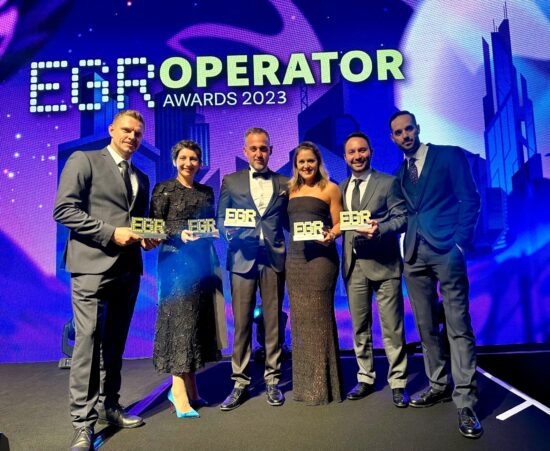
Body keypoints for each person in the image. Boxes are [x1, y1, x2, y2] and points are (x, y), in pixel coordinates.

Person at [53, 110, 159, 450]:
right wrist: (111, 233)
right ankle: (83, 423)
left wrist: (146, 238)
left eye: (138, 133)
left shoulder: (141, 177)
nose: (132, 137)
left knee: (115, 344)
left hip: (128, 270)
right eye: (126, 130)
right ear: (112, 129)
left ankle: (109, 406)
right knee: (88, 343)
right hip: (91, 268)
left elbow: (137, 223)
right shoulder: (84, 160)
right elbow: (64, 210)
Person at [389, 110, 483, 438]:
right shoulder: (399, 175)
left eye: (409, 129)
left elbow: (470, 199)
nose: (405, 136)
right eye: (399, 132)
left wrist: (460, 242)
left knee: (458, 326)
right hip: (413, 256)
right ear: (392, 138)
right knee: (426, 327)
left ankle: (466, 402)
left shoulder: (448, 155)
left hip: (447, 251)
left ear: (417, 128)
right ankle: (438, 385)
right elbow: (402, 216)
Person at [149, 140, 227, 419]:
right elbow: (155, 225)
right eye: (183, 158)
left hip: (201, 262)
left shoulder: (206, 192)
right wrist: (178, 233)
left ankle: (192, 388)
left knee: (195, 323)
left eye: (193, 159)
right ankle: (178, 392)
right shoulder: (163, 189)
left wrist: (215, 231)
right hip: (175, 264)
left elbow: (209, 223)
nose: (188, 163)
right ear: (174, 161)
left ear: (199, 162)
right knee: (180, 323)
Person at [216, 127, 289, 410]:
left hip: (273, 258)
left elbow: (290, 220)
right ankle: (240, 382)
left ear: (270, 151)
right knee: (242, 323)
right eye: (254, 148)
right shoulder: (230, 180)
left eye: (263, 148)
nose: (259, 153)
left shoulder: (284, 182)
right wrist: (228, 231)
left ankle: (273, 380)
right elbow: (221, 218)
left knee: (273, 321)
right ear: (245, 151)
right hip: (241, 258)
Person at [340, 132, 409, 407]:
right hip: (353, 265)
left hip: (384, 264)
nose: (357, 156)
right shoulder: (341, 187)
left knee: (392, 328)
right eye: (352, 152)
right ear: (345, 157)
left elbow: (402, 219)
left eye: (362, 150)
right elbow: (341, 224)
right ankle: (365, 377)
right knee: (360, 328)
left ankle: (398, 382)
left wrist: (380, 228)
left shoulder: (388, 183)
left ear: (370, 152)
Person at [286, 141, 343, 405]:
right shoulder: (290, 190)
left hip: (321, 260)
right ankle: (305, 387)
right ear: (295, 165)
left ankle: (324, 387)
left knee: (320, 318)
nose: (306, 166)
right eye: (302, 162)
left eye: (311, 161)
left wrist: (331, 235)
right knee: (300, 320)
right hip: (296, 260)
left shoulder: (330, 188)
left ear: (318, 162)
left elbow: (338, 223)